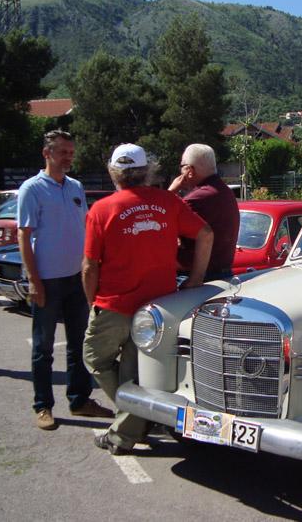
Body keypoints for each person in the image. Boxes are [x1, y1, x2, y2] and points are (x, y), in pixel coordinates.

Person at [83, 143, 212, 455]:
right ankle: (129, 426)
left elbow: (89, 265)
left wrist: (92, 302)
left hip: (114, 304)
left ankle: (130, 426)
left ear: (114, 172)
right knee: (132, 372)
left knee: (94, 358)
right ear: (146, 171)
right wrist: (195, 280)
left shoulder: (102, 209)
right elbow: (205, 233)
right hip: (157, 308)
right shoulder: (167, 202)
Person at [17, 130, 113, 430]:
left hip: (76, 278)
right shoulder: (31, 189)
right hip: (47, 279)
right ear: (47, 154)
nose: (68, 157)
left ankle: (80, 400)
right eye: (62, 152)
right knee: (43, 347)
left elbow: (85, 227)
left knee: (78, 343)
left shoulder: (75, 186)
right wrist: (34, 280)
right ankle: (43, 406)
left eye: (71, 151)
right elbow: (24, 234)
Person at [169, 143, 239, 281]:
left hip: (196, 277)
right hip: (222, 273)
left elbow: (158, 222)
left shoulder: (197, 198)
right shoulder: (226, 192)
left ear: (190, 170)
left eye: (182, 166)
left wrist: (170, 192)